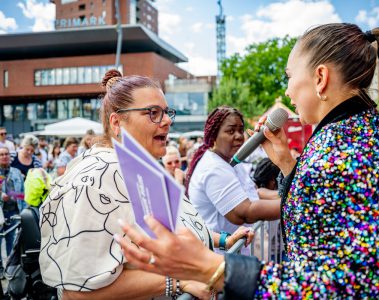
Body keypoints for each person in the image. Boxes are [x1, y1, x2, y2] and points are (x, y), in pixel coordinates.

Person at [115, 23, 379, 298]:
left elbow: (348, 287)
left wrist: (213, 268)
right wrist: (288, 164)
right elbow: (321, 224)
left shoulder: (338, 154)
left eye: (289, 76)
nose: (287, 92)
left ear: (320, 78)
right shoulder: (365, 132)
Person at [39, 69, 252, 299]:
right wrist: (178, 281)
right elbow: (77, 291)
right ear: (117, 122)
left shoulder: (141, 166)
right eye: (153, 113)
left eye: (166, 112)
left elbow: (171, 227)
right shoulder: (95, 178)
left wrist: (221, 239)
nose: (168, 120)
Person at [186, 106, 281, 236]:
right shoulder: (214, 168)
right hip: (219, 254)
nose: (238, 136)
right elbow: (244, 213)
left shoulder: (231, 161)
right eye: (231, 131)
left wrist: (284, 195)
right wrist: (293, 203)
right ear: (214, 136)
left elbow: (252, 192)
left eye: (241, 130)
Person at [0, 146, 24, 278]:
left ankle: (10, 267)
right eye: (1, 154)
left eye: (6, 154)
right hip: (0, 212)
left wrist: (12, 195)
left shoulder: (16, 172)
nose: (4, 156)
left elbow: (23, 195)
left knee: (12, 241)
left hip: (14, 212)